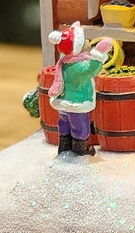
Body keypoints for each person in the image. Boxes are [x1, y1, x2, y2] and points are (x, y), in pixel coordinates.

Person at [46, 22, 114, 156]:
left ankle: (64, 148)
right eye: (84, 42)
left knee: (64, 125)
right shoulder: (78, 67)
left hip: (62, 102)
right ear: (78, 48)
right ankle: (80, 151)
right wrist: (98, 54)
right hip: (76, 103)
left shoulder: (64, 60)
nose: (88, 42)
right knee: (79, 127)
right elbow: (91, 69)